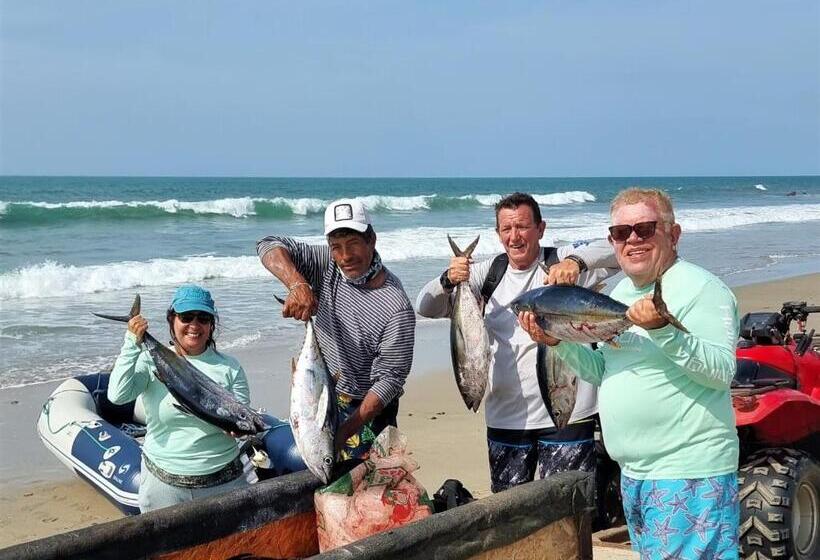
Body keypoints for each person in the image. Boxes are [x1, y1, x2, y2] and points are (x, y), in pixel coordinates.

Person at [521, 188, 740, 559]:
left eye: (645, 229)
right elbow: (603, 369)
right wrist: (559, 342)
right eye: (622, 233)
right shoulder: (621, 293)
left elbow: (721, 372)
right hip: (635, 476)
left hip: (688, 473)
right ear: (612, 241)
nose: (633, 240)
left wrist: (663, 330)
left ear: (673, 234)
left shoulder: (703, 289)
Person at [416, 192, 620, 493]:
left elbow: (620, 251)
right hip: (507, 418)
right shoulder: (489, 273)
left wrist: (576, 262)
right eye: (506, 229)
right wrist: (449, 279)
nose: (515, 236)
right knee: (513, 516)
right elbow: (426, 306)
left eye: (523, 227)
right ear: (498, 234)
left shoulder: (561, 262)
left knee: (570, 511)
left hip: (570, 413)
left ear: (541, 228)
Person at [257, 198, 415, 461]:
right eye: (336, 247)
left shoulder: (396, 306)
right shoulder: (326, 265)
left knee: (368, 487)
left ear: (372, 240)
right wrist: (297, 284)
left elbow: (389, 380)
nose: (345, 256)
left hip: (367, 410)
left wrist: (342, 433)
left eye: (353, 244)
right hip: (321, 391)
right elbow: (268, 245)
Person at [107, 284, 251, 512]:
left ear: (211, 324)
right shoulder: (150, 359)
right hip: (164, 485)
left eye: (203, 318)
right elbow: (117, 395)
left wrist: (237, 429)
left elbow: (241, 413)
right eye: (186, 317)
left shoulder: (230, 367)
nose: (194, 325)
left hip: (224, 482)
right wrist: (131, 342)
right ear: (172, 320)